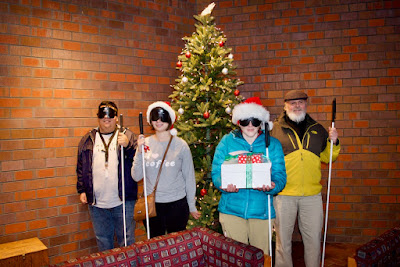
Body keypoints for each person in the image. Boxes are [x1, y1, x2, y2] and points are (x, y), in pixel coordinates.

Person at [271, 90, 340, 267]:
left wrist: (335, 142)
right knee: (282, 242)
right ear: (285, 106)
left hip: (312, 196)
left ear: (306, 104)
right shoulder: (274, 130)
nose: (297, 106)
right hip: (283, 194)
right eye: (292, 103)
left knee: (313, 240)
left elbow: (328, 157)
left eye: (300, 102)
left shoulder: (317, 129)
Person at [211, 97, 287, 255]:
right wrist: (223, 184)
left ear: (261, 122)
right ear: (238, 122)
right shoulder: (226, 142)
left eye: (255, 120)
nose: (250, 125)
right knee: (235, 258)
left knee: (261, 257)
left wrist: (273, 186)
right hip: (232, 210)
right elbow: (217, 172)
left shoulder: (272, 144)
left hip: (262, 211)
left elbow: (280, 175)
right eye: (246, 121)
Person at [131, 101, 200, 238]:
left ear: (170, 119)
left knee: (176, 246)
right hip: (152, 205)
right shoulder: (145, 144)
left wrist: (191, 205)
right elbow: (136, 176)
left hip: (177, 205)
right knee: (156, 248)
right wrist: (139, 152)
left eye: (162, 117)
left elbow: (189, 177)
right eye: (155, 117)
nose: (158, 121)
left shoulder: (181, 145)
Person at [76, 101, 138, 252]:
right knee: (103, 242)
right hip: (97, 203)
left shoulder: (127, 135)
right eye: (103, 116)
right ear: (98, 118)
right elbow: (80, 166)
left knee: (127, 240)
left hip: (123, 201)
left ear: (116, 117)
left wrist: (128, 145)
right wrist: (82, 190)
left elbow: (140, 161)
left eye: (110, 116)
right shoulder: (88, 139)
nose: (106, 119)